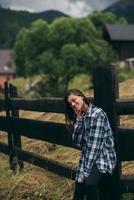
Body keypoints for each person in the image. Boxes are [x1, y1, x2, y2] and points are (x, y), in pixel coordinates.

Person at [63, 89, 117, 200]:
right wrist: (78, 120)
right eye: (70, 103)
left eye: (74, 100)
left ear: (81, 97)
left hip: (102, 158)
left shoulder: (97, 114)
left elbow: (94, 147)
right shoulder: (81, 116)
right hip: (88, 158)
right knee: (78, 190)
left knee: (89, 184)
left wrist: (85, 171)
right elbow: (77, 142)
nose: (73, 104)